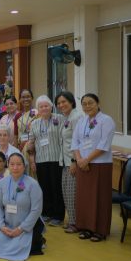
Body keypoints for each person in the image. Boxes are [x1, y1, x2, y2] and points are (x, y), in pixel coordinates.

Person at [0, 153, 45, 261]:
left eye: (19, 164)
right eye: (12, 164)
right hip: (8, 225)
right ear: (8, 165)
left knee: (19, 247)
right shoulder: (2, 183)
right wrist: (1, 226)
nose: (15, 168)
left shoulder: (33, 184)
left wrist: (21, 229)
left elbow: (36, 210)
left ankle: (39, 239)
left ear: (24, 166)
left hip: (28, 226)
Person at [71, 93, 115, 242]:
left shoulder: (106, 120)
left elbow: (104, 144)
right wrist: (79, 160)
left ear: (98, 103)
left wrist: (87, 160)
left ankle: (100, 230)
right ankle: (86, 227)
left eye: (91, 103)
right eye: (84, 104)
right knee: (85, 198)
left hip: (100, 164)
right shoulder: (81, 121)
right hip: (82, 164)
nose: (87, 106)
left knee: (100, 197)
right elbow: (75, 142)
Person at [28, 95, 64, 226]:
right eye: (41, 106)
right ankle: (47, 212)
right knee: (44, 187)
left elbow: (64, 139)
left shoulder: (59, 119)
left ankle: (58, 215)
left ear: (51, 106)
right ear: (38, 109)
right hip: (41, 160)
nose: (44, 108)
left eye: (46, 106)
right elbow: (31, 143)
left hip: (56, 159)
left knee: (56, 187)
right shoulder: (34, 123)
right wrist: (32, 161)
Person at [55, 91, 81, 233]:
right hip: (65, 161)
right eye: (59, 103)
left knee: (72, 194)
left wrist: (74, 161)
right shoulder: (66, 118)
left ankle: (76, 222)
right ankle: (72, 220)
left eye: (64, 101)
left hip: (72, 161)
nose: (61, 105)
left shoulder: (76, 117)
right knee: (66, 192)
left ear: (71, 101)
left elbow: (79, 141)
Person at [16, 88, 37, 155]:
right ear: (20, 99)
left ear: (32, 98)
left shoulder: (37, 113)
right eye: (23, 97)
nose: (26, 99)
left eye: (28, 97)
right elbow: (16, 135)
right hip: (21, 148)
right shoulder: (18, 116)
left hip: (35, 147)